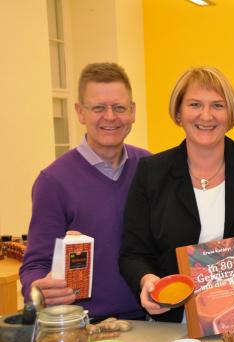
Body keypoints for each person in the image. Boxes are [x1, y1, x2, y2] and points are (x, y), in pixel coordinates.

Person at [119, 66, 234, 323]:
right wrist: (147, 281)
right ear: (178, 112)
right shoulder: (152, 172)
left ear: (230, 113)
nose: (207, 115)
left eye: (218, 105)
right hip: (174, 322)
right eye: (195, 104)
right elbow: (133, 253)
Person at [20, 62, 150, 320]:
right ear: (80, 112)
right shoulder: (53, 181)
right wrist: (38, 290)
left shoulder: (149, 167)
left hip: (151, 320)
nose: (110, 117)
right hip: (84, 325)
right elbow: (36, 264)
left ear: (133, 112)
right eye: (98, 108)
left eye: (119, 107)